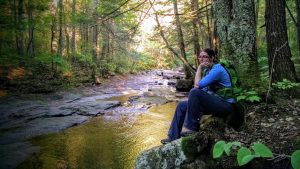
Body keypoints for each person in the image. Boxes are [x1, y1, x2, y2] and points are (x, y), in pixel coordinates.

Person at [161, 48, 236, 144]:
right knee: (181, 105)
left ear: (212, 58)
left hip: (226, 105)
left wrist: (200, 68)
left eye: (205, 57)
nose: (202, 59)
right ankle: (173, 137)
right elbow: (201, 90)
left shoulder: (217, 69)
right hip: (215, 102)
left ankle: (191, 128)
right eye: (200, 57)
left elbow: (196, 87)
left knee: (194, 92)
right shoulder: (208, 71)